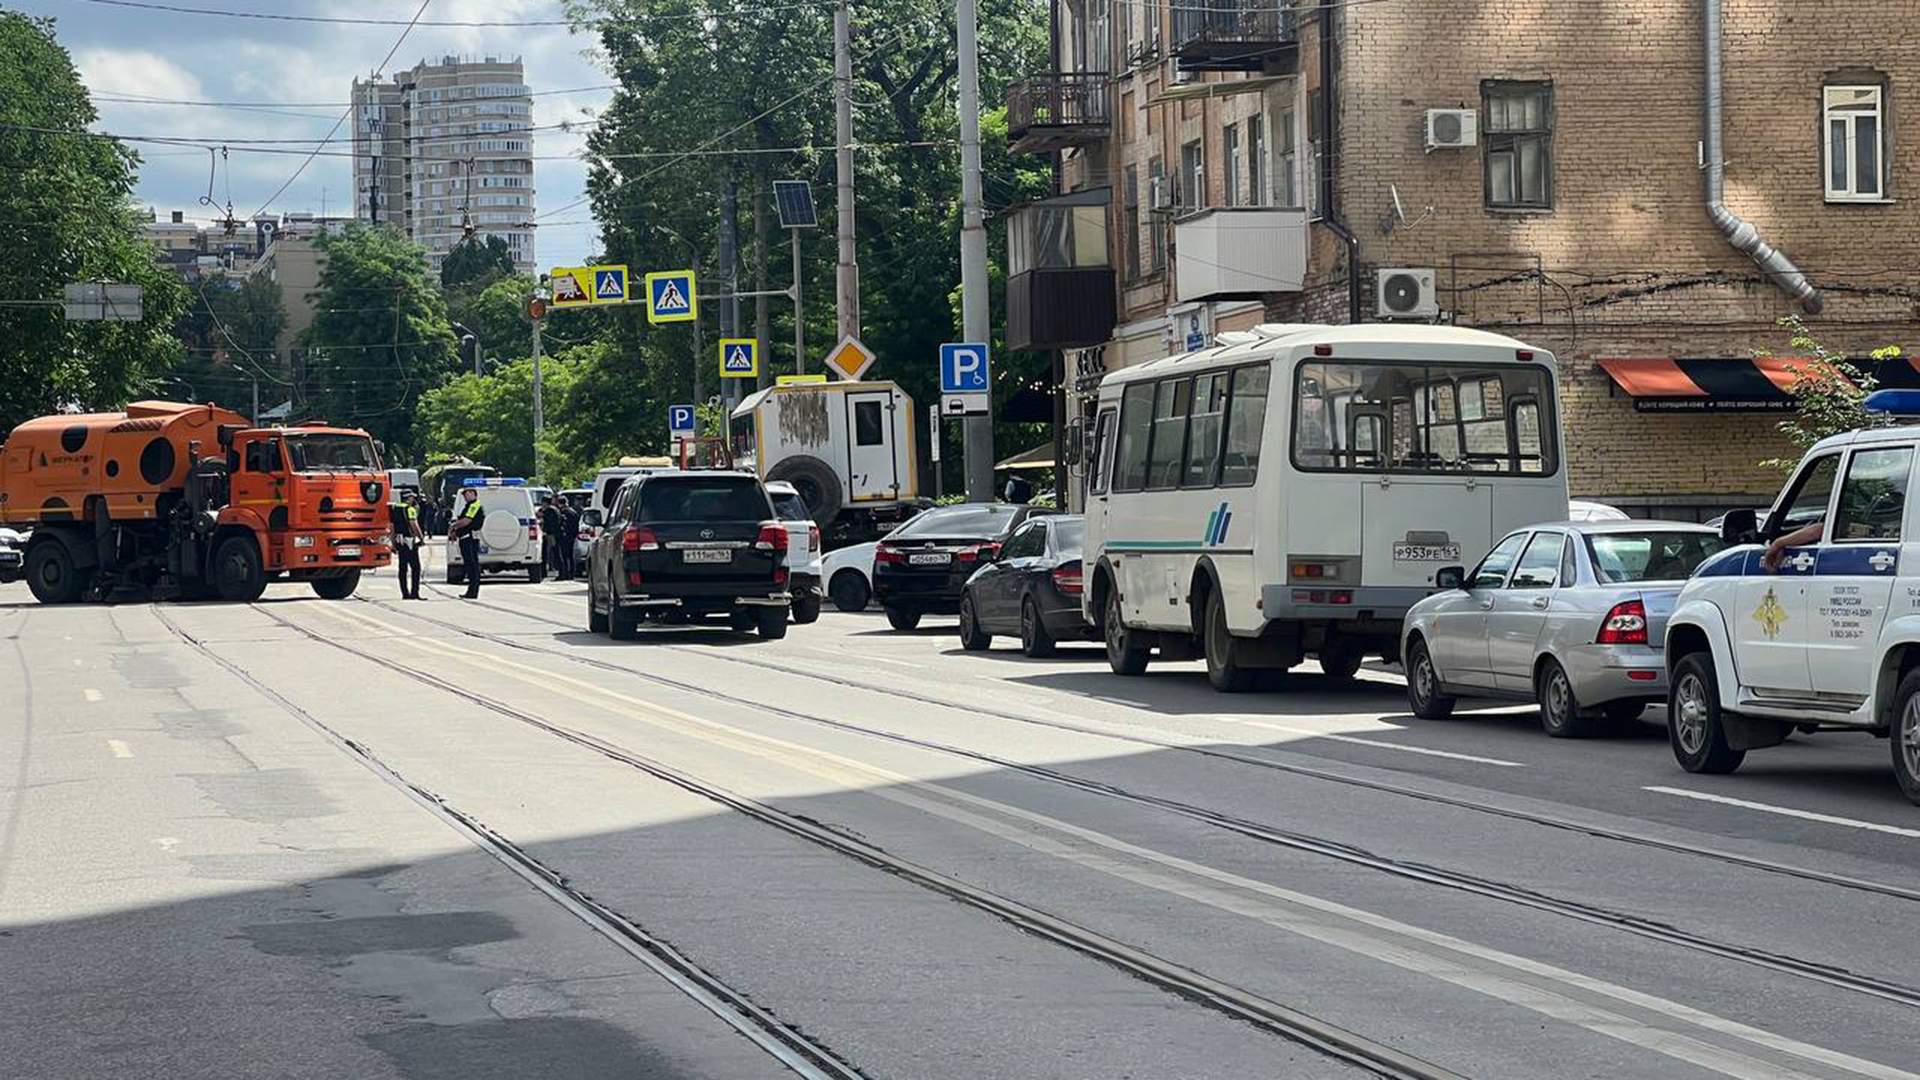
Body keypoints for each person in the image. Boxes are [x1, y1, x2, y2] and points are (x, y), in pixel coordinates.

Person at [449, 486, 486, 598]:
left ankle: (473, 591)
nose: (465, 496)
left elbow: (466, 521)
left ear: (473, 494)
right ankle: (471, 590)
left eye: (466, 494)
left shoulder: (474, 505)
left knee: (472, 565)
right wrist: (455, 531)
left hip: (469, 538)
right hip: (466, 537)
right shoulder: (469, 506)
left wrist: (453, 526)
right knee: (469, 565)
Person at [390, 491, 424, 599]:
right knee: (416, 567)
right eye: (412, 498)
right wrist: (421, 538)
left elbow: (392, 528)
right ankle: (414, 592)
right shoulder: (410, 509)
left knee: (402, 568)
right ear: (408, 498)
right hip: (409, 541)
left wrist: (393, 543)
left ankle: (405, 593)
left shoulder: (395, 509)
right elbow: (414, 524)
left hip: (399, 540)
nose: (413, 500)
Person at [558, 495, 581, 581]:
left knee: (564, 555)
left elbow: (562, 524)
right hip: (572, 536)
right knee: (571, 555)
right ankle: (571, 573)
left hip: (565, 536)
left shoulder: (564, 512)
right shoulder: (573, 512)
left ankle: (566, 574)